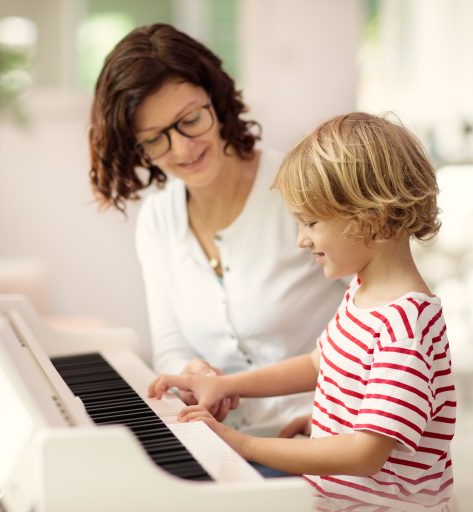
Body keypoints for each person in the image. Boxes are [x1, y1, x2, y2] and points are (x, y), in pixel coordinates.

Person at [149, 113, 457, 510]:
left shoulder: (405, 328)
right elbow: (320, 364)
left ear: (372, 218)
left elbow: (365, 454)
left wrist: (244, 444)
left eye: (310, 223)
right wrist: (228, 386)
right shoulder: (363, 295)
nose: (301, 240)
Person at [88, 23, 345, 443]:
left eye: (191, 119)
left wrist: (343, 416)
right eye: (155, 140)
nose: (183, 149)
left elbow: (387, 314)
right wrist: (192, 371)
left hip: (326, 440)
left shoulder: (299, 187)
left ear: (217, 100)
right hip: (223, 443)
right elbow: (168, 343)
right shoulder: (157, 220)